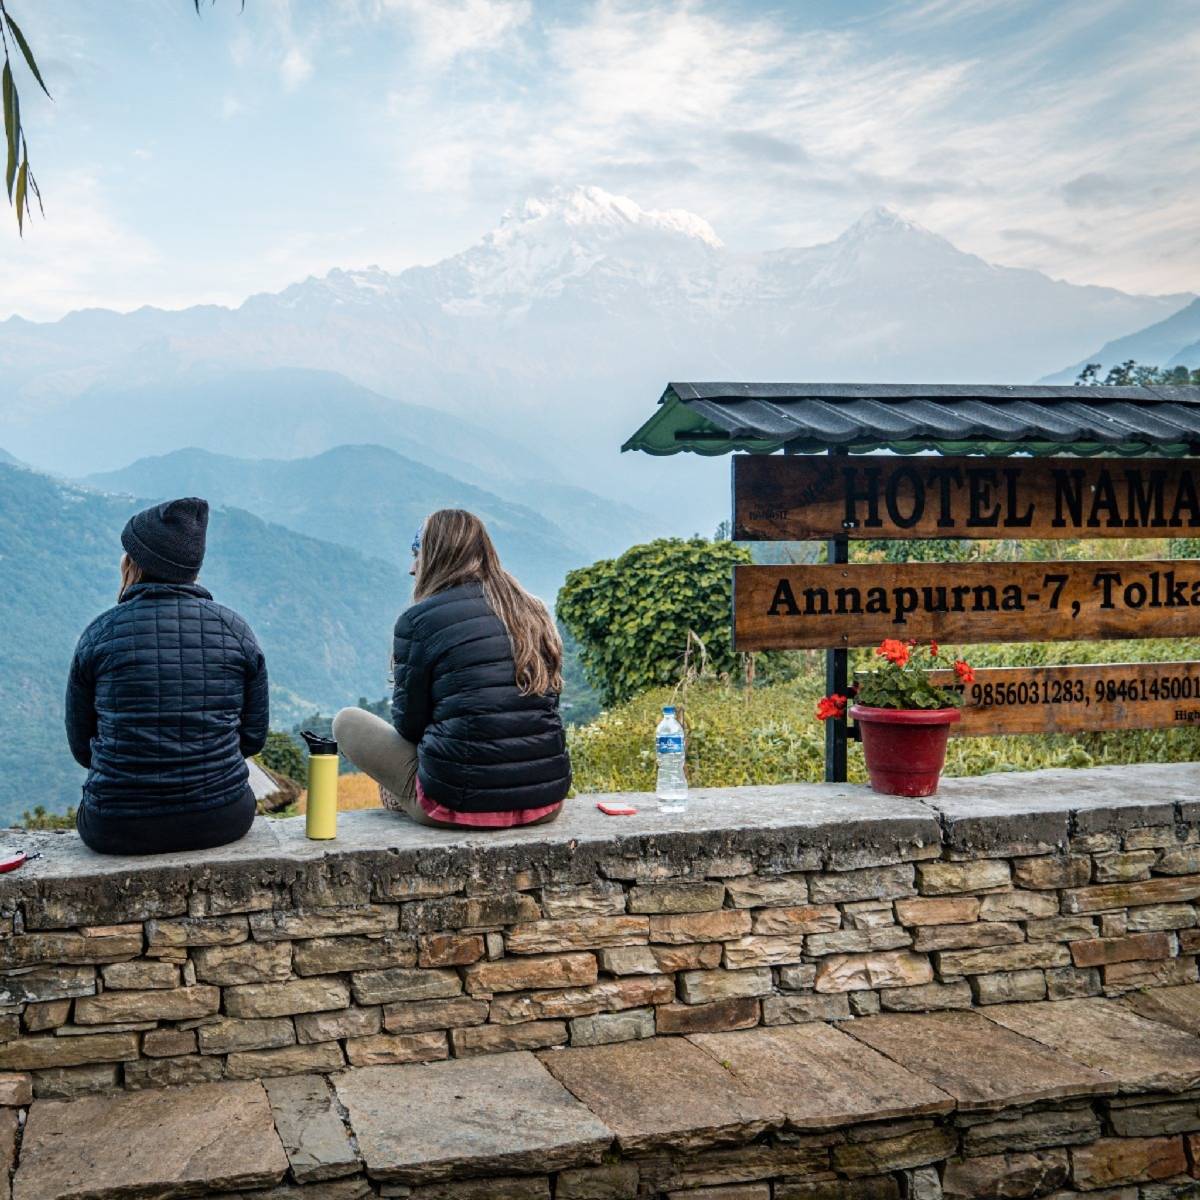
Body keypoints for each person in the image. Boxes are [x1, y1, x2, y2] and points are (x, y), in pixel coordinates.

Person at [334, 509, 570, 828]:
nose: (411, 568)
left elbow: (409, 725)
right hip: (545, 802)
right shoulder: (533, 610)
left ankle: (404, 795)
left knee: (347, 721)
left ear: (434, 558)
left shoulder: (419, 621)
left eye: (417, 554)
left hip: (457, 806)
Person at [65, 498, 269, 855]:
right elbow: (252, 738)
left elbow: (82, 746)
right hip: (222, 818)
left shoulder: (100, 633)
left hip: (116, 826)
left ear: (133, 564)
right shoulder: (236, 630)